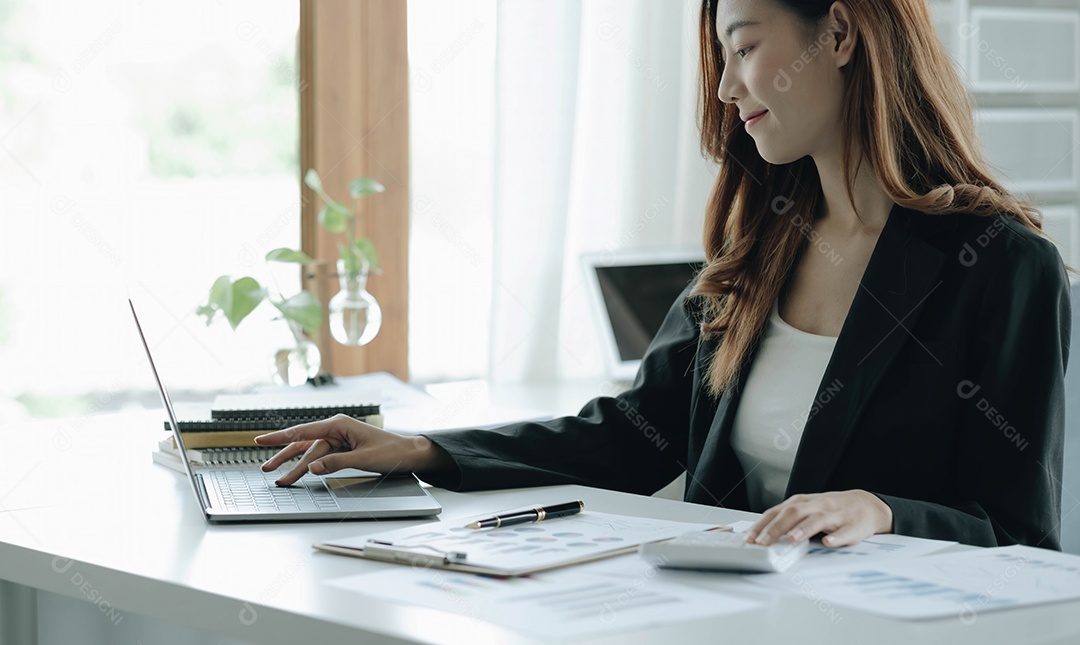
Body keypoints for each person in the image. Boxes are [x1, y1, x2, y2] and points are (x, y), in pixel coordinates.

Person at [256, 0, 1073, 550]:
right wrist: (423, 449)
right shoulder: (758, 252)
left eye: (745, 47)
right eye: (719, 56)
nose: (723, 87)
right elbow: (627, 436)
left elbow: (1018, 532)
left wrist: (883, 512)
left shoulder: (999, 267)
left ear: (842, 34)